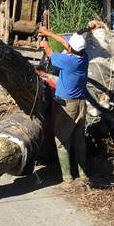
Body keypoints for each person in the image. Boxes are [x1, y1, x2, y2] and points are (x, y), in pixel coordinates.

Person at [38, 26, 90, 183]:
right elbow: (67, 44)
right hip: (82, 104)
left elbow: (50, 55)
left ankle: (67, 177)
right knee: (79, 141)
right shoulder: (84, 57)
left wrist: (44, 44)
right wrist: (48, 33)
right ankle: (83, 174)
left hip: (68, 107)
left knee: (62, 141)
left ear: (72, 49)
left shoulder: (68, 61)